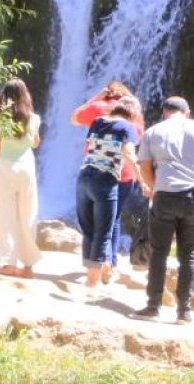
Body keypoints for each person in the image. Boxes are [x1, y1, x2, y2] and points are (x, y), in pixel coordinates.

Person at [130, 96, 194, 325]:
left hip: (164, 196)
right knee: (188, 255)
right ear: (187, 112)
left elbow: (144, 166)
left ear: (165, 112)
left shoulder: (154, 131)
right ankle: (184, 312)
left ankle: (153, 307)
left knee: (159, 251)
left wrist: (155, 186)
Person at [71, 82, 145, 282]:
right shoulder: (133, 120)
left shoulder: (98, 116)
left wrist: (97, 96)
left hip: (88, 174)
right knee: (111, 221)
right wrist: (143, 179)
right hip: (120, 175)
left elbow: (76, 117)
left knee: (92, 227)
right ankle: (106, 267)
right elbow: (132, 147)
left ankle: (95, 269)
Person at [0, 78, 43, 277]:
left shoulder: (0, 119)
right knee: (27, 215)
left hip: (6, 167)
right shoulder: (33, 118)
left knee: (4, 216)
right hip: (26, 167)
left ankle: (6, 262)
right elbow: (35, 143)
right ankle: (28, 266)